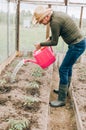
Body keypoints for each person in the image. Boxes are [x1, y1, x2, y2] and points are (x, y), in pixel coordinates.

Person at [32, 6, 86, 107]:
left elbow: (54, 42)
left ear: (46, 17)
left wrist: (41, 44)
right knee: (67, 67)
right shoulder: (56, 16)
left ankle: (61, 99)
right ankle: (64, 91)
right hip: (77, 43)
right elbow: (59, 32)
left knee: (63, 69)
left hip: (77, 45)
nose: (42, 23)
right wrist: (50, 38)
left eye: (40, 21)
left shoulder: (54, 22)